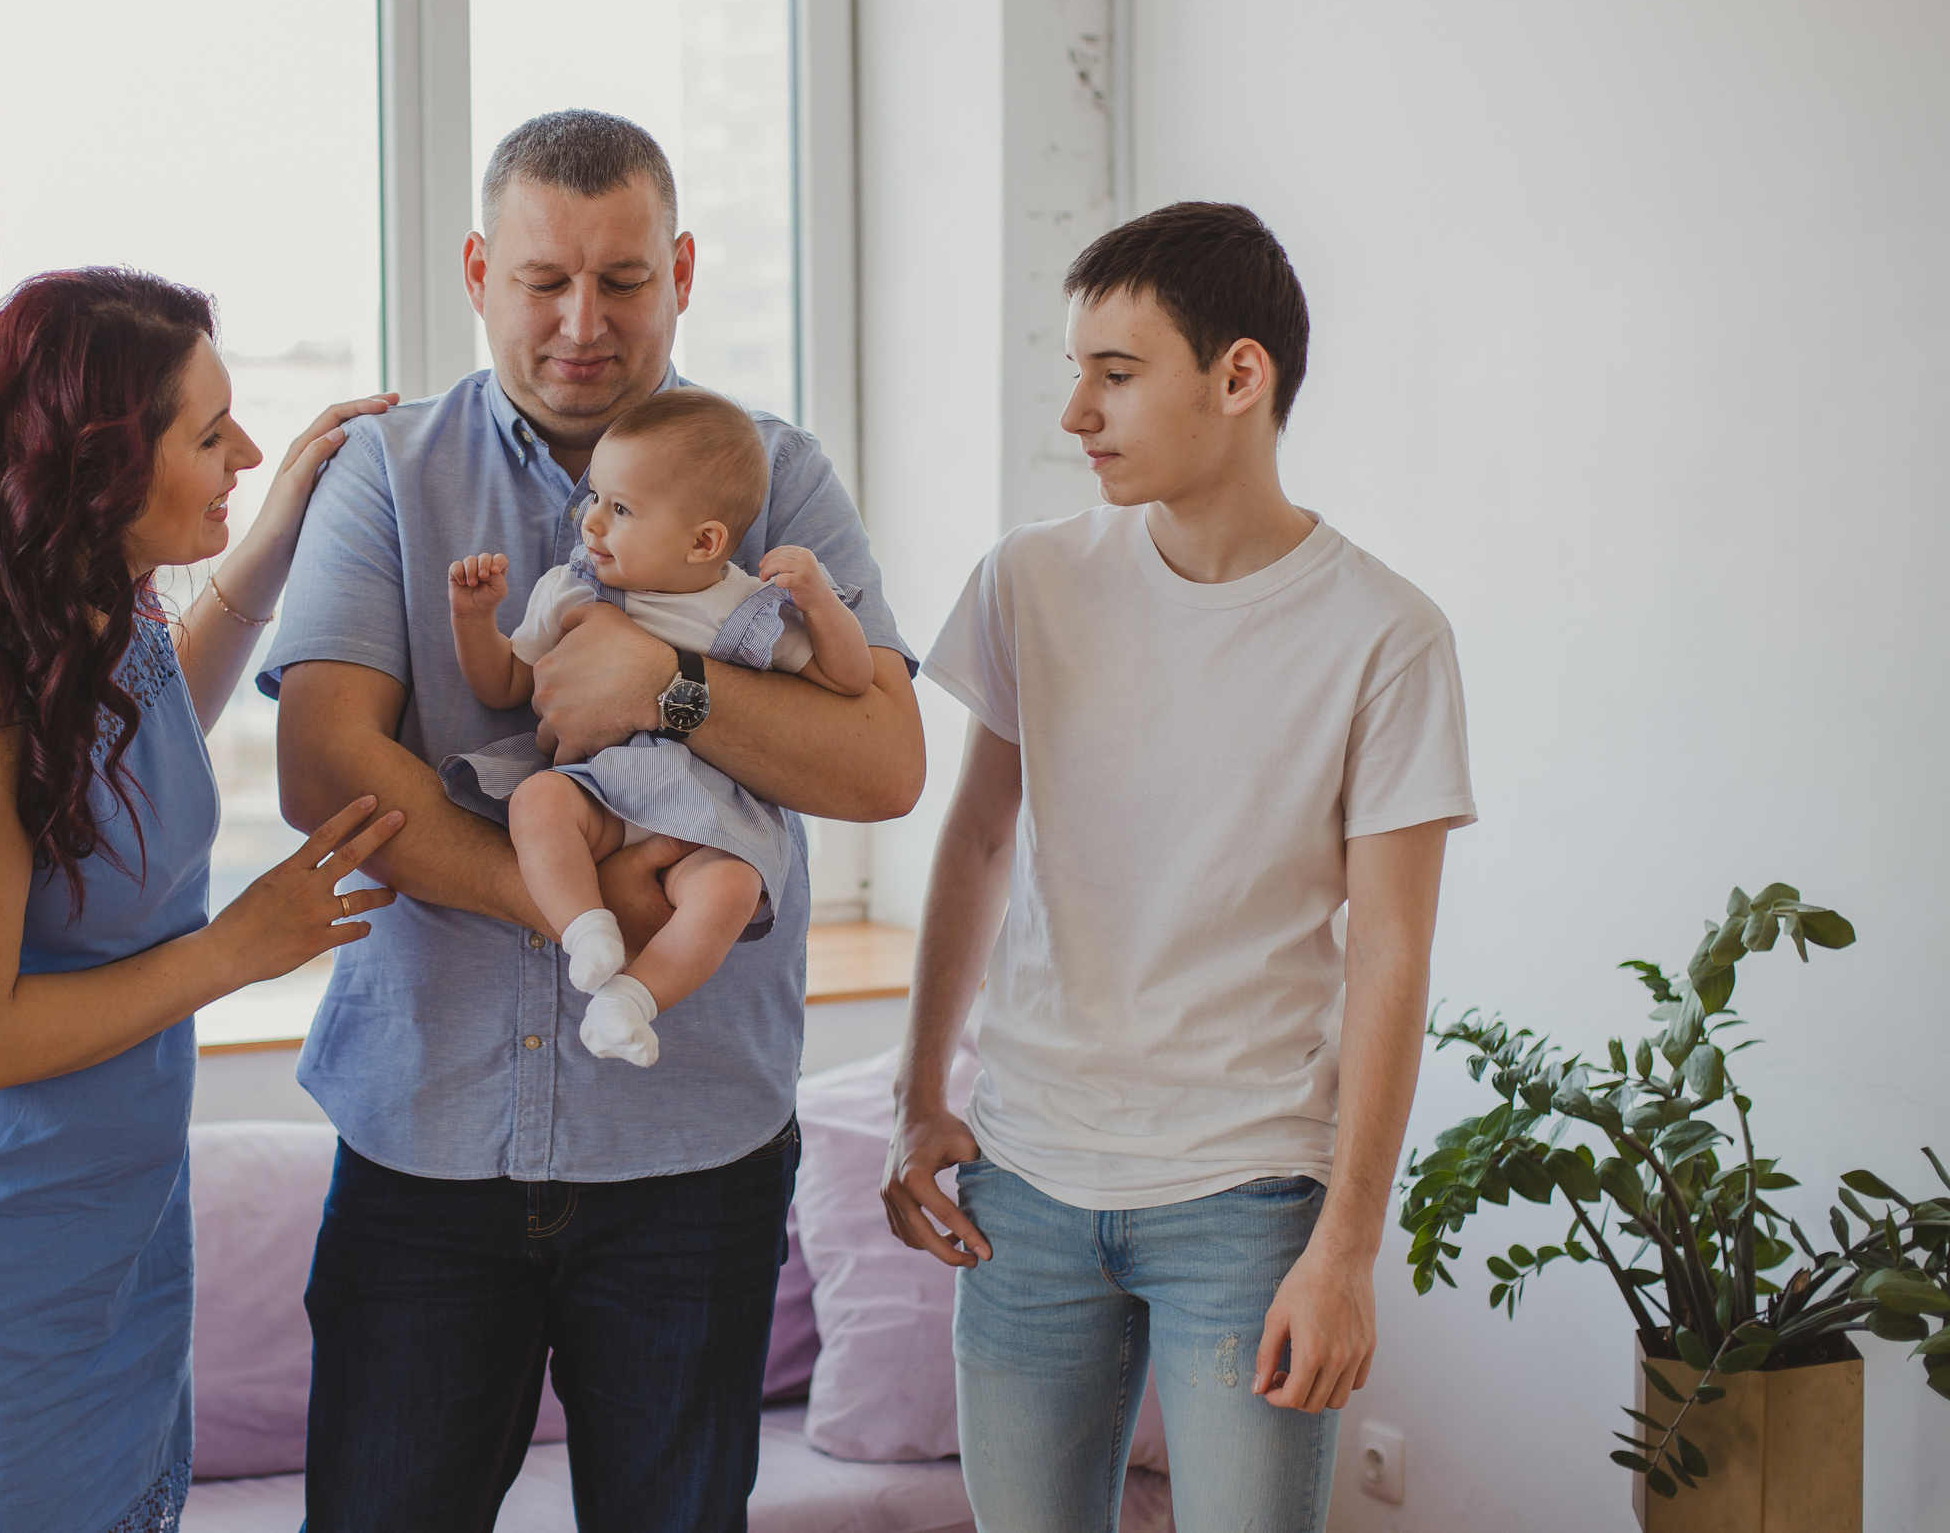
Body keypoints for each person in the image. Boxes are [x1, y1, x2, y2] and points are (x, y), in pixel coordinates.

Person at [263, 110, 923, 1532]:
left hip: (694, 1153)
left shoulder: (771, 475)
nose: (581, 320)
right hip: (424, 1139)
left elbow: (882, 765)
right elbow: (323, 772)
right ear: (476, 271)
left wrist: (665, 685)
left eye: (623, 278)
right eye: (543, 278)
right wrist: (587, 913)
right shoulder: (389, 474)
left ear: (680, 269)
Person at [880, 202, 1475, 1533]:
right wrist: (919, 1092)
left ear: (1239, 375)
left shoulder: (1385, 636)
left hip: (1249, 1196)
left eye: (1116, 370)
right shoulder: (1030, 577)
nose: (1076, 411)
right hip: (1024, 1182)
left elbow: (1390, 951)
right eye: (1074, 369)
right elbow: (975, 837)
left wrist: (1346, 1249)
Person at [0, 268, 404, 1533]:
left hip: (98, 1251)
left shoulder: (90, 620)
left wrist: (275, 531)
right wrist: (237, 950)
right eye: (209, 435)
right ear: (98, 467)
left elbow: (144, 722)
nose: (243, 451)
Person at [443, 389, 877, 1067]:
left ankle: (633, 1002)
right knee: (538, 800)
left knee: (730, 888)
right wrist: (475, 621)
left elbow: (845, 679)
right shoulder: (570, 588)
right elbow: (503, 684)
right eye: (595, 498)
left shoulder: (744, 607)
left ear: (703, 540)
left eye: (620, 509)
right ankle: (586, 929)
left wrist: (821, 603)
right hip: (605, 790)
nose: (591, 523)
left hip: (706, 812)